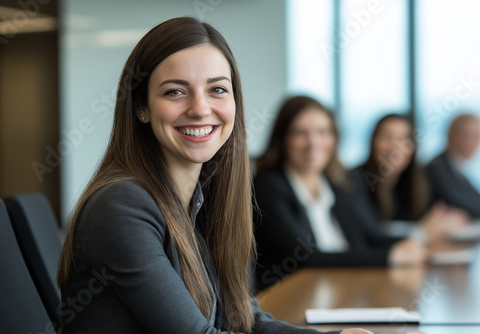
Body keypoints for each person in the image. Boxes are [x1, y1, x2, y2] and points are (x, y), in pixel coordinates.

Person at [56, 17, 374, 334]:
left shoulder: (201, 202)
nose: (200, 108)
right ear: (142, 107)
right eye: (175, 92)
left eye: (217, 89)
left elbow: (247, 322)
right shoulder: (121, 206)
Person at [253, 96, 427, 293]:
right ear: (283, 138)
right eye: (301, 133)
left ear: (334, 138)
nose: (314, 143)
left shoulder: (338, 185)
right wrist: (390, 257)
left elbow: (369, 236)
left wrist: (417, 243)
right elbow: (306, 258)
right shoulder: (268, 188)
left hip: (344, 289)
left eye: (323, 132)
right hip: (294, 299)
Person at [350, 114, 467, 241]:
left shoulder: (413, 182)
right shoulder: (355, 181)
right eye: (386, 137)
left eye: (403, 140)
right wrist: (423, 232)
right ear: (373, 141)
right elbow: (371, 236)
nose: (395, 146)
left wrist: (444, 220)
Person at [426, 113, 480, 218]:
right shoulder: (437, 167)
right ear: (450, 136)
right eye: (465, 136)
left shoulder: (456, 168)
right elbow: (461, 203)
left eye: (476, 136)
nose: (471, 142)